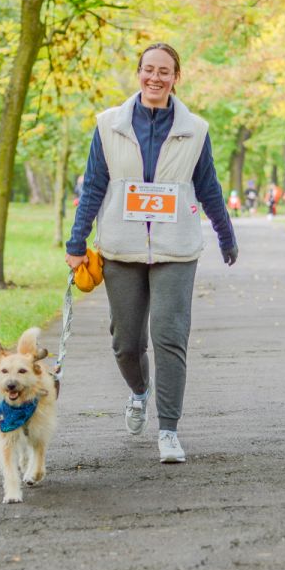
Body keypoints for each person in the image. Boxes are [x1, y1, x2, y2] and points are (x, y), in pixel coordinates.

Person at [65, 42, 237, 464]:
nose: (155, 78)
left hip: (175, 248)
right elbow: (94, 186)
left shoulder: (195, 129)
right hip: (121, 248)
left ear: (176, 77)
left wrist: (225, 233)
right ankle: (139, 392)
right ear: (138, 72)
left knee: (169, 335)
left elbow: (209, 185)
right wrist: (76, 241)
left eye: (164, 71)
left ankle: (169, 430)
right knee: (125, 343)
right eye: (148, 70)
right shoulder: (109, 125)